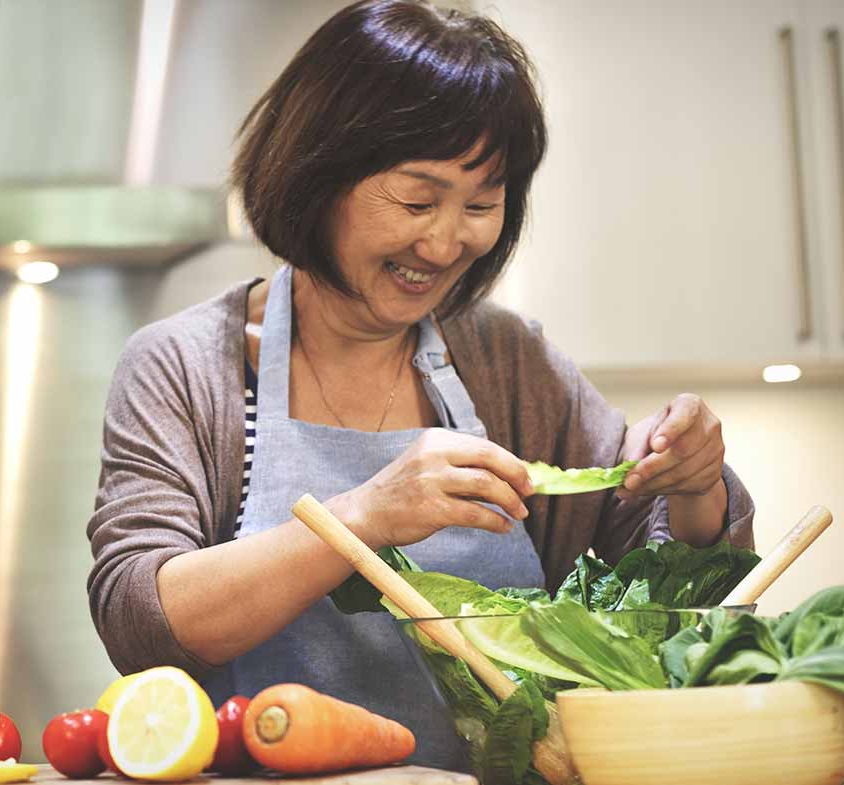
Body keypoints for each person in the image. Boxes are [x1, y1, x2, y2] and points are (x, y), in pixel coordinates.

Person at [85, 0, 755, 771]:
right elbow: (140, 616)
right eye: (415, 200)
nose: (444, 242)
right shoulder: (186, 366)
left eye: (480, 204)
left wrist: (694, 485)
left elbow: (668, 592)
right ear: (318, 176)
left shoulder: (504, 359)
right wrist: (363, 516)